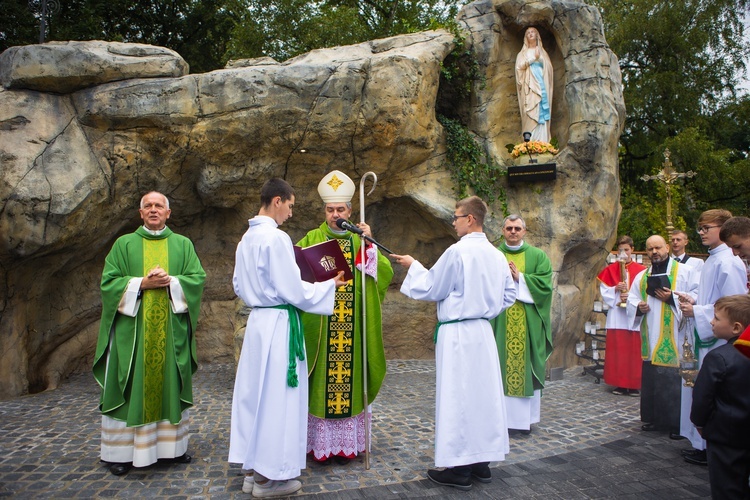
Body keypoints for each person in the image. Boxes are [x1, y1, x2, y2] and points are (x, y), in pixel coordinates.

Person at [228, 178, 346, 498]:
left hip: (257, 325)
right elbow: (292, 289)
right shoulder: (276, 239)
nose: (291, 214)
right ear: (277, 200)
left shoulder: (246, 239)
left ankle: (253, 472)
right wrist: (328, 286)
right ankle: (269, 480)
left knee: (255, 397)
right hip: (280, 324)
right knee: (277, 398)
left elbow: (239, 286)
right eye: (290, 206)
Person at [391, 196, 517, 490]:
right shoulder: (497, 255)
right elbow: (508, 296)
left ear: (470, 219)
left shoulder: (458, 252)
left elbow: (434, 287)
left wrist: (413, 266)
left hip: (459, 333)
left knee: (459, 397)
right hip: (482, 333)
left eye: (456, 217)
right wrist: (484, 311)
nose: (453, 222)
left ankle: (459, 468)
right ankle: (481, 463)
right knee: (482, 397)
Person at [93, 191, 206, 476]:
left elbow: (196, 279)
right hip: (132, 336)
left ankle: (171, 449)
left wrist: (172, 282)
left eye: (159, 206)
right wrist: (140, 284)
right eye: (148, 206)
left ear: (169, 213)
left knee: (168, 383)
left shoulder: (183, 244)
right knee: (130, 387)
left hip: (170, 334)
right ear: (140, 213)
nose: (154, 210)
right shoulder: (123, 244)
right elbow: (108, 284)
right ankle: (120, 453)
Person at [296, 170, 394, 464]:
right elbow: (294, 275)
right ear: (323, 211)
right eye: (330, 210)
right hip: (322, 332)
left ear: (350, 212)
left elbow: (384, 273)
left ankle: (348, 446)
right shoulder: (312, 238)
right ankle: (320, 447)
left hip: (355, 328)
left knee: (351, 382)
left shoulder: (359, 240)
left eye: (340, 209)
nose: (335, 214)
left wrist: (369, 245)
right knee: (321, 383)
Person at [676, 209, 748, 465]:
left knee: (713, 389)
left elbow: (734, 307)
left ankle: (708, 445)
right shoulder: (713, 259)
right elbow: (714, 298)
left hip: (718, 338)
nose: (702, 233)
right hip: (707, 331)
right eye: (700, 229)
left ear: (723, 227)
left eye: (707, 228)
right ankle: (700, 443)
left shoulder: (729, 260)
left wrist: (696, 310)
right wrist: (695, 300)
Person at [626, 235, 697, 438]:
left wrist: (671, 298)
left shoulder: (685, 272)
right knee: (652, 377)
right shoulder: (642, 275)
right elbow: (632, 298)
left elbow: (696, 294)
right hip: (652, 333)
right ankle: (654, 419)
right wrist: (638, 306)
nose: (654, 252)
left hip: (676, 333)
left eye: (658, 247)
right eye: (649, 249)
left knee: (673, 379)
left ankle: (676, 424)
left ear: (667, 247)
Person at [490, 214, 553, 433]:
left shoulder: (538, 256)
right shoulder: (493, 255)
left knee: (524, 367)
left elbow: (545, 287)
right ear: (502, 230)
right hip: (498, 322)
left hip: (528, 324)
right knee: (497, 367)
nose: (513, 232)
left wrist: (521, 278)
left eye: (517, 228)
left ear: (524, 231)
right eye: (509, 228)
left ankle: (523, 421)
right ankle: (498, 420)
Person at [690, 294, 750, 499]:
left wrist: (699, 422)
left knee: (727, 487)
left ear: (736, 328)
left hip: (726, 434)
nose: (711, 322)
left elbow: (702, 396)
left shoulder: (719, 357)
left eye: (716, 318)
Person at [596, 236, 646, 396]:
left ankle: (634, 384)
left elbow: (645, 291)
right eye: (620, 250)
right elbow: (604, 291)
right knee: (619, 351)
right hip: (617, 316)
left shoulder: (642, 270)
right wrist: (615, 290)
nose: (623, 253)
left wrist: (630, 297)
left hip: (634, 317)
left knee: (634, 351)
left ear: (632, 249)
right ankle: (620, 384)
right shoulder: (611, 270)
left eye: (626, 249)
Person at [516, 27, 553, 143]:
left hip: (541, 85)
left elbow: (549, 70)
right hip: (528, 87)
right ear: (525, 37)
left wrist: (541, 60)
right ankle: (530, 142)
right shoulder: (522, 53)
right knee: (530, 110)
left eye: (533, 32)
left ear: (537, 35)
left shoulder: (543, 52)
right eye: (528, 33)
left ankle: (543, 142)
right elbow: (518, 68)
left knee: (541, 108)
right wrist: (533, 59)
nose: (530, 34)